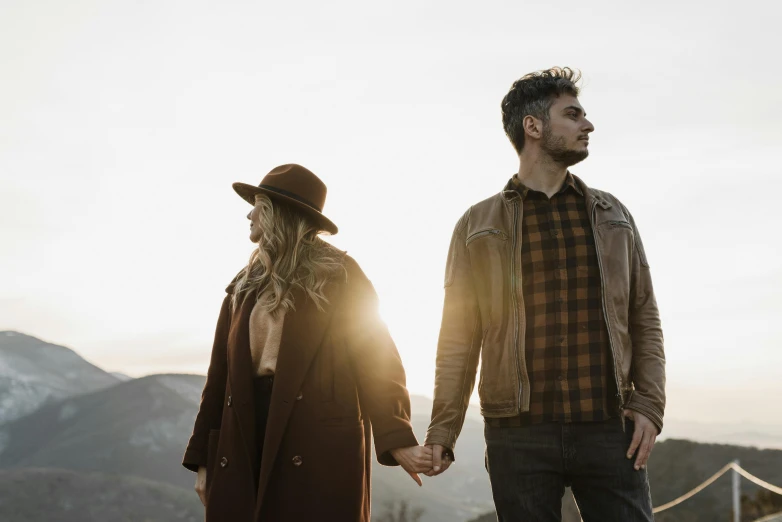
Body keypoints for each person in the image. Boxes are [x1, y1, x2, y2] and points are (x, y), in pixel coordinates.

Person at [424, 68, 665, 521]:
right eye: (572, 115)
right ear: (532, 127)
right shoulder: (478, 225)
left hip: (610, 429)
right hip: (518, 435)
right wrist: (443, 429)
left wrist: (649, 404)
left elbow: (643, 316)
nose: (587, 125)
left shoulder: (613, 215)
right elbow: (458, 337)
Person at [182, 164, 431, 521]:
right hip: (246, 431)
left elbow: (377, 358)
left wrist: (397, 438)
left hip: (314, 432)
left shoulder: (341, 275)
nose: (249, 213)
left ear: (278, 213)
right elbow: (218, 378)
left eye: (258, 204)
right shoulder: (241, 288)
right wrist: (204, 460)